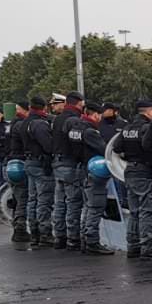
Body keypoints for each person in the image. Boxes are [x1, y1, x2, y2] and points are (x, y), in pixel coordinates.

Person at [118, 98, 152, 260]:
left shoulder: (127, 127)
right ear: (149, 111)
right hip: (144, 171)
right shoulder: (147, 128)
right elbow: (149, 146)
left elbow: (116, 148)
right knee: (147, 211)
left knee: (134, 211)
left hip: (129, 170)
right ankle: (148, 247)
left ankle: (133, 246)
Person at [75, 102, 115, 256]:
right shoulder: (90, 131)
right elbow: (104, 150)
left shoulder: (78, 127)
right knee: (95, 207)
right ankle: (92, 241)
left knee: (87, 207)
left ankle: (85, 239)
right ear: (96, 114)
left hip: (83, 169)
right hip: (93, 171)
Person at [52, 92, 88, 251]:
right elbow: (76, 143)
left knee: (60, 203)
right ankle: (73, 238)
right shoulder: (73, 120)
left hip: (58, 163)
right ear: (79, 103)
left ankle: (59, 236)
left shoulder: (57, 118)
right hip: (70, 163)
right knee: (73, 202)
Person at [25, 96, 56, 245]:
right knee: (44, 200)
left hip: (30, 161)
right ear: (43, 108)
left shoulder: (25, 121)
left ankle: (34, 232)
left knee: (33, 199)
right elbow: (48, 146)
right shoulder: (39, 123)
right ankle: (45, 233)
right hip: (40, 164)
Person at [6, 102, 30, 242]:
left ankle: (17, 226)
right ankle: (20, 229)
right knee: (23, 197)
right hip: (20, 162)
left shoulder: (12, 124)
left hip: (10, 162)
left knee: (17, 196)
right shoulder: (21, 125)